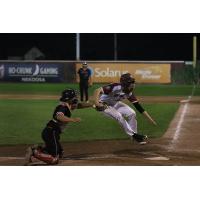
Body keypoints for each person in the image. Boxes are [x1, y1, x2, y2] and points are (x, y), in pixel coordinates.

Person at [93, 73, 157, 144]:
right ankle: (134, 135)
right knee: (118, 116)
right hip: (104, 104)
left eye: (133, 82)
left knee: (132, 113)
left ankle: (134, 135)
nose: (133, 84)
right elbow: (97, 90)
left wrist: (150, 120)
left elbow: (139, 107)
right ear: (125, 83)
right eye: (131, 82)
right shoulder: (115, 87)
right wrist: (97, 104)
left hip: (115, 103)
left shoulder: (129, 93)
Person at [25, 89, 81, 165]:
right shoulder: (63, 107)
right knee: (54, 159)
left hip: (51, 132)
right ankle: (34, 152)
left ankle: (38, 148)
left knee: (60, 153)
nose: (76, 98)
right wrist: (72, 119)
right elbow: (59, 117)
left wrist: (93, 105)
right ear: (69, 98)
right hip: (51, 132)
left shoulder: (67, 105)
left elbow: (80, 105)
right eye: (74, 97)